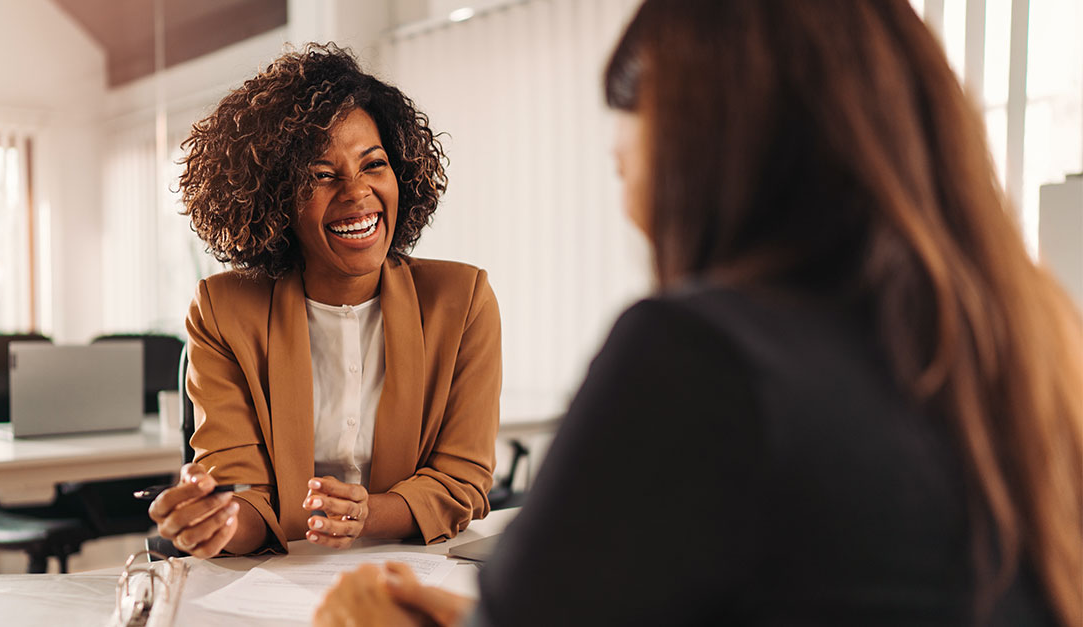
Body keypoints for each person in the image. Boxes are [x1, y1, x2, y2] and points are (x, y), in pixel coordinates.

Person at [314, 1, 1083, 625]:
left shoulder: (703, 356)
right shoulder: (1030, 340)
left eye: (628, 167)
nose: (631, 206)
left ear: (706, 151)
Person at [147, 44, 502, 557]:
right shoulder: (223, 310)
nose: (356, 193)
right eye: (320, 175)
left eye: (373, 164)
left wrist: (367, 515)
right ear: (275, 198)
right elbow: (244, 494)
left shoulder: (462, 300)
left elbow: (461, 480)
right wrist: (216, 521)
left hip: (411, 566)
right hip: (277, 576)